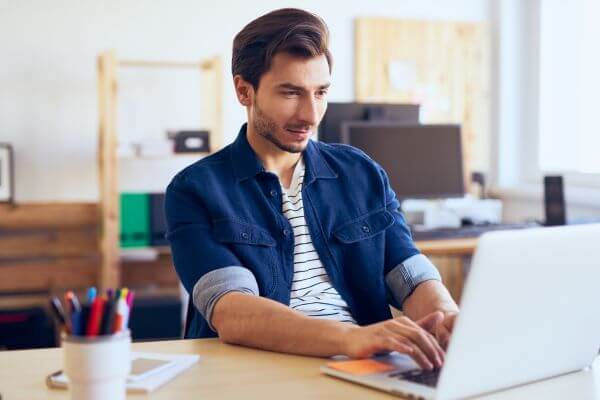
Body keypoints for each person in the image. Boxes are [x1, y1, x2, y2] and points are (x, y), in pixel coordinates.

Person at [166, 8, 459, 370]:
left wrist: (445, 317)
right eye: (291, 93)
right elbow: (232, 310)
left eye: (320, 92)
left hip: (365, 364)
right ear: (244, 91)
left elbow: (409, 273)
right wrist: (351, 338)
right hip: (262, 368)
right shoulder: (196, 190)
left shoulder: (361, 172)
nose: (310, 114)